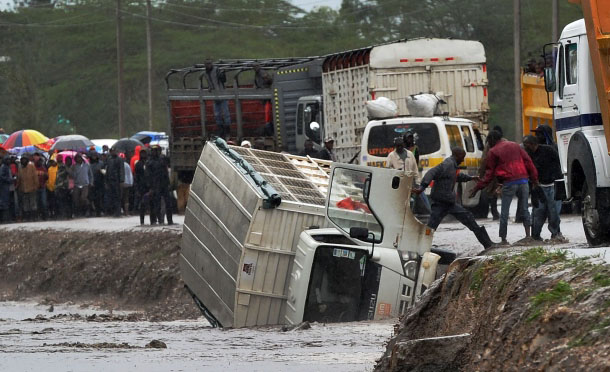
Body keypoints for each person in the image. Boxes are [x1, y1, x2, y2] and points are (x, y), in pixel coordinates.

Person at [412, 147, 494, 250]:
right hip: (440, 203)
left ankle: (488, 244)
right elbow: (431, 173)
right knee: (430, 228)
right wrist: (422, 187)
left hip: (449, 202)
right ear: (457, 155)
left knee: (468, 218)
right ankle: (419, 247)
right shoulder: (447, 164)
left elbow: (456, 176)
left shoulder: (452, 166)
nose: (463, 160)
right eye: (462, 157)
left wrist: (470, 178)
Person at [471, 130, 539, 245]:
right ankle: (528, 236)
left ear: (492, 140)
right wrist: (534, 179)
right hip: (523, 181)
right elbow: (528, 162)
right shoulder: (515, 145)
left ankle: (503, 239)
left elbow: (489, 174)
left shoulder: (493, 151)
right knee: (525, 210)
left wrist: (477, 187)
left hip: (509, 182)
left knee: (504, 212)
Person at [523, 135, 567, 243]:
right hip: (539, 187)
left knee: (554, 212)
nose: (525, 147)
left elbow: (559, 164)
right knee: (538, 213)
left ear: (533, 144)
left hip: (553, 185)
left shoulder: (549, 150)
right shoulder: (528, 155)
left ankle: (555, 234)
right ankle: (536, 236)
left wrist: (559, 181)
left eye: (526, 145)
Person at [478, 125, 503, 221]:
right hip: (503, 173)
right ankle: (497, 213)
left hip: (493, 172)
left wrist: (481, 173)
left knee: (490, 193)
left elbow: (484, 159)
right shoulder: (505, 142)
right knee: (498, 193)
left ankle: (492, 212)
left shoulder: (490, 144)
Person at [147, 146, 173, 225]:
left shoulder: (162, 159)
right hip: (155, 185)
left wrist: (168, 183)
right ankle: (158, 220)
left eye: (157, 150)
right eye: (154, 151)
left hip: (164, 184)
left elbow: (166, 171)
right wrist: (150, 187)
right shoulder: (150, 162)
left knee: (168, 203)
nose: (156, 152)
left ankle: (169, 220)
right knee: (156, 204)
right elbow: (148, 176)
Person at [205, 59, 231, 139]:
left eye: (209, 63)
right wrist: (210, 87)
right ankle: (220, 131)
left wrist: (222, 75)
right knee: (217, 115)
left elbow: (223, 80)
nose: (208, 65)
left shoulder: (217, 70)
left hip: (222, 94)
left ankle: (227, 132)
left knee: (226, 113)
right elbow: (210, 82)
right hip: (215, 96)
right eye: (207, 64)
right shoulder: (206, 73)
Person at [17, 155, 39, 221]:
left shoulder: (31, 166)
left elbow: (35, 176)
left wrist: (36, 185)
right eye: (22, 160)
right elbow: (19, 178)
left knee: (33, 203)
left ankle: (34, 217)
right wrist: (19, 187)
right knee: (25, 204)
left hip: (32, 187)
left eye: (24, 159)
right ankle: (27, 217)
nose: (23, 161)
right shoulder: (20, 168)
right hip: (24, 189)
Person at [105, 148, 125, 217]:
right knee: (111, 196)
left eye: (114, 151)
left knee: (117, 196)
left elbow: (121, 170)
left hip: (117, 180)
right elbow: (107, 170)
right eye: (112, 151)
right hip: (110, 180)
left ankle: (118, 211)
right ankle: (112, 211)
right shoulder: (109, 159)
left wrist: (121, 180)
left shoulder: (119, 159)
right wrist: (106, 180)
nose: (113, 152)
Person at [72, 153, 93, 217]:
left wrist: (91, 182)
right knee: (76, 199)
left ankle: (88, 210)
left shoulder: (87, 165)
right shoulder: (74, 166)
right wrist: (73, 171)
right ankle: (79, 212)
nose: (78, 159)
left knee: (83, 198)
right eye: (77, 158)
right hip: (77, 184)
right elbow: (73, 176)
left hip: (85, 184)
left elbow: (90, 175)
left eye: (79, 158)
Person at [135, 149, 151, 225]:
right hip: (141, 186)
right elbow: (136, 177)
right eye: (142, 154)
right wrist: (137, 188)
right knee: (142, 205)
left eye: (144, 153)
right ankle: (142, 221)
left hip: (149, 186)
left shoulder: (149, 163)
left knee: (152, 204)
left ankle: (153, 220)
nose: (143, 155)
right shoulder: (138, 164)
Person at [89, 152, 105, 216]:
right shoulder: (89, 164)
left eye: (95, 156)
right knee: (92, 198)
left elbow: (104, 172)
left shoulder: (101, 163)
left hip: (99, 182)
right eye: (93, 155)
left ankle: (99, 211)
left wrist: (101, 171)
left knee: (99, 198)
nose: (94, 157)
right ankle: (93, 210)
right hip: (92, 182)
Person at [0, 156, 13, 223]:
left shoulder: (7, 166)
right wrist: (9, 180)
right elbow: (2, 176)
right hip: (3, 186)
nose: (9, 161)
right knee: (4, 202)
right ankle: (4, 219)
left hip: (7, 186)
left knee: (7, 202)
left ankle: (6, 218)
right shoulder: (3, 167)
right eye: (7, 159)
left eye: (9, 159)